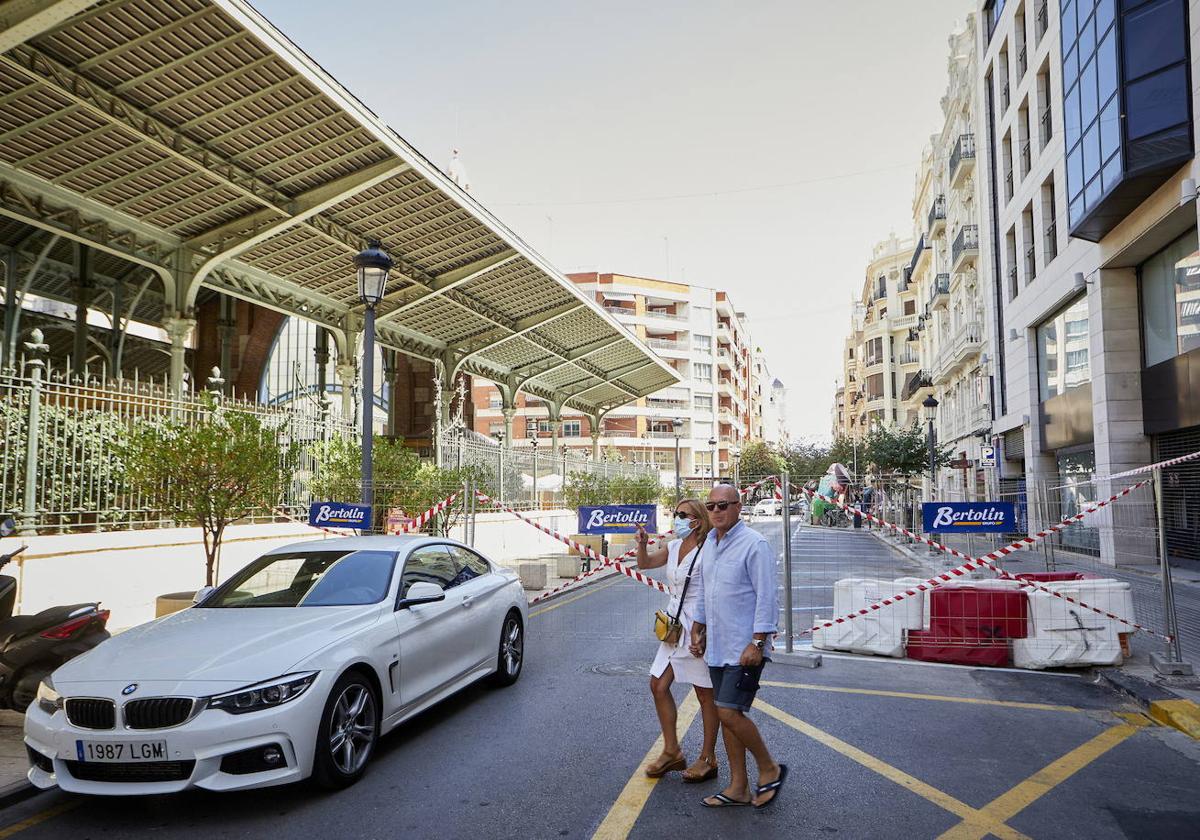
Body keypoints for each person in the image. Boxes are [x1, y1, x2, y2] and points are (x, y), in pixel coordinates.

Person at [689, 484, 788, 809]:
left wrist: (758, 642)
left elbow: (767, 597)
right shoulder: (711, 546)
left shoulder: (754, 545)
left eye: (723, 506)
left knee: (728, 712)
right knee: (729, 713)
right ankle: (738, 787)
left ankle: (769, 767)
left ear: (738, 507)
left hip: (745, 648)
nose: (716, 511)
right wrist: (698, 627)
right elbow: (705, 589)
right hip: (717, 644)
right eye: (711, 506)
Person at [635, 500, 721, 783]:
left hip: (696, 624)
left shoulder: (707, 550)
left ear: (697, 521)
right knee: (658, 685)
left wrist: (703, 631)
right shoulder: (673, 547)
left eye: (682, 515)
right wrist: (643, 543)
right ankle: (672, 751)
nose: (677, 519)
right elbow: (645, 563)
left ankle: (708, 758)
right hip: (674, 626)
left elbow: (711, 593)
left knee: (704, 694)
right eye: (675, 514)